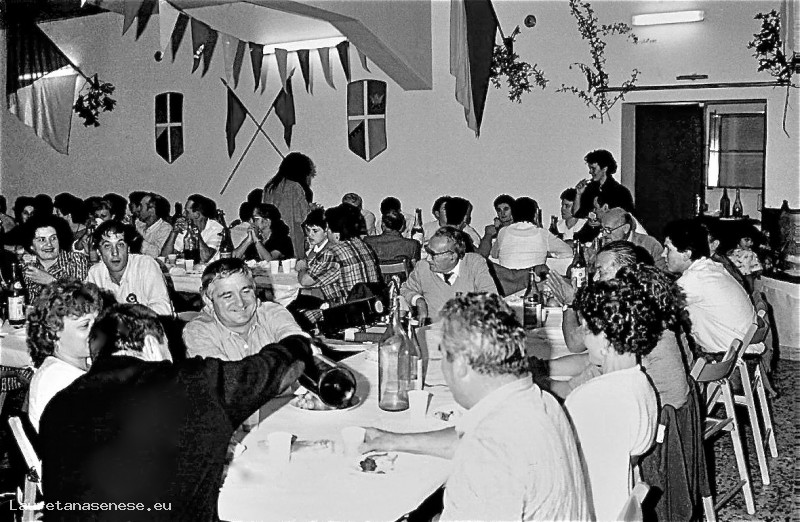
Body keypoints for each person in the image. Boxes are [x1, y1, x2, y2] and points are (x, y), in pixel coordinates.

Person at [39, 303, 312, 520]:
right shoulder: (191, 384)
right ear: (150, 345)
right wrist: (299, 343)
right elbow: (273, 369)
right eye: (167, 348)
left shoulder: (58, 406)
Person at [361, 293, 590, 521]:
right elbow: (471, 438)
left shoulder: (486, 454)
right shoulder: (543, 401)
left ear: (460, 366)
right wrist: (391, 440)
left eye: (443, 356)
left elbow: (487, 451)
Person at [545, 242, 691, 410]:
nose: (595, 279)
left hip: (658, 415)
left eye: (601, 271)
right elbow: (590, 364)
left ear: (627, 272)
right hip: (666, 411)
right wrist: (540, 370)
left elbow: (576, 348)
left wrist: (571, 304)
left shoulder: (633, 323)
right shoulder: (641, 312)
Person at [565, 268, 660, 521]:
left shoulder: (590, 399)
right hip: (619, 505)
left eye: (587, 330)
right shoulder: (643, 384)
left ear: (606, 341)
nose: (584, 338)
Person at [663, 219, 759, 355]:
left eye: (668, 249)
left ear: (686, 254)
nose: (663, 254)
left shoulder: (695, 279)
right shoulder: (711, 268)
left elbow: (658, 309)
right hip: (741, 349)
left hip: (728, 356)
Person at [183, 258, 306, 360]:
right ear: (207, 299)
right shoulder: (197, 331)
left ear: (255, 289)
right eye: (228, 296)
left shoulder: (272, 312)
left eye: (246, 291)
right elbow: (223, 377)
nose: (240, 302)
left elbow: (299, 345)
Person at [26, 279, 102, 431]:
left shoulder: (80, 363)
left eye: (98, 321)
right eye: (85, 325)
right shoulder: (59, 382)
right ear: (54, 332)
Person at [294, 204, 382, 326]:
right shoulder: (364, 246)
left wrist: (302, 267)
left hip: (343, 312)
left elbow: (305, 281)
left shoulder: (333, 252)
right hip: (369, 308)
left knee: (292, 312)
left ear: (335, 231)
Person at [400, 226, 496, 324]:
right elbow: (405, 290)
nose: (428, 259)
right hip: (433, 328)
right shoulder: (423, 267)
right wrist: (418, 300)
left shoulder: (474, 263)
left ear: (453, 256)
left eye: (433, 255)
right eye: (428, 252)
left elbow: (490, 298)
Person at [86, 220, 173, 315]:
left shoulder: (145, 265)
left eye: (120, 245)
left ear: (128, 248)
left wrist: (122, 318)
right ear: (99, 252)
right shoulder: (95, 274)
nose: (115, 253)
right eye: (107, 246)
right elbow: (86, 310)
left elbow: (163, 310)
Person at [22, 215, 89, 302]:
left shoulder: (76, 260)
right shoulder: (28, 268)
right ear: (31, 246)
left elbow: (81, 301)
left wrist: (51, 282)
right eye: (42, 240)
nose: (49, 244)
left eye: (53, 238)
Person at [493, 197, 572, 269]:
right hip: (532, 278)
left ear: (513, 215)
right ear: (535, 215)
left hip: (507, 279)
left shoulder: (503, 232)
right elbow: (568, 252)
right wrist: (549, 253)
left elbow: (494, 254)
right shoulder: (542, 234)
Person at [263, 152, 316, 258]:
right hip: (291, 236)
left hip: (270, 236)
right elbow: (302, 217)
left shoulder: (270, 187)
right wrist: (311, 209)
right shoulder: (295, 187)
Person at [160, 194, 223, 262]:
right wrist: (174, 232)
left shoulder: (217, 229)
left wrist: (194, 231)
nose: (183, 214)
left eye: (187, 212)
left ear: (197, 215)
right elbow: (164, 256)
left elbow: (205, 257)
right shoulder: (184, 227)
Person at [574, 149, 634, 219]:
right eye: (590, 168)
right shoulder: (589, 189)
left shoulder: (621, 192)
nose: (590, 172)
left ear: (605, 168)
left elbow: (628, 218)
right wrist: (578, 194)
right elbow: (577, 214)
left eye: (593, 168)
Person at [600, 207, 666, 270]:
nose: (604, 234)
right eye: (603, 230)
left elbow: (662, 274)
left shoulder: (650, 245)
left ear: (625, 228)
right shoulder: (601, 245)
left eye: (608, 230)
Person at [138, 193, 173, 257]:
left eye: (141, 206)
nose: (138, 209)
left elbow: (158, 253)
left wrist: (137, 241)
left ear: (152, 210)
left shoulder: (165, 228)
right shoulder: (140, 226)